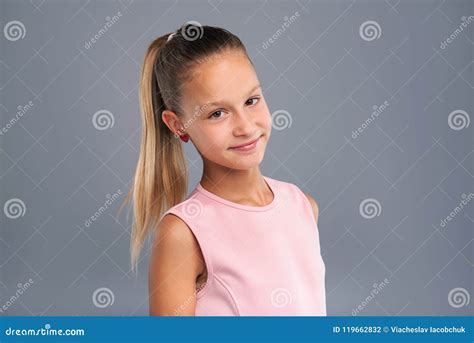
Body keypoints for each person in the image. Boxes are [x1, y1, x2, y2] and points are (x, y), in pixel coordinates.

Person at [121, 23, 327, 316]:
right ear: (178, 125)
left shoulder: (303, 206)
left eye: (251, 101)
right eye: (217, 113)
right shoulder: (183, 233)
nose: (245, 127)